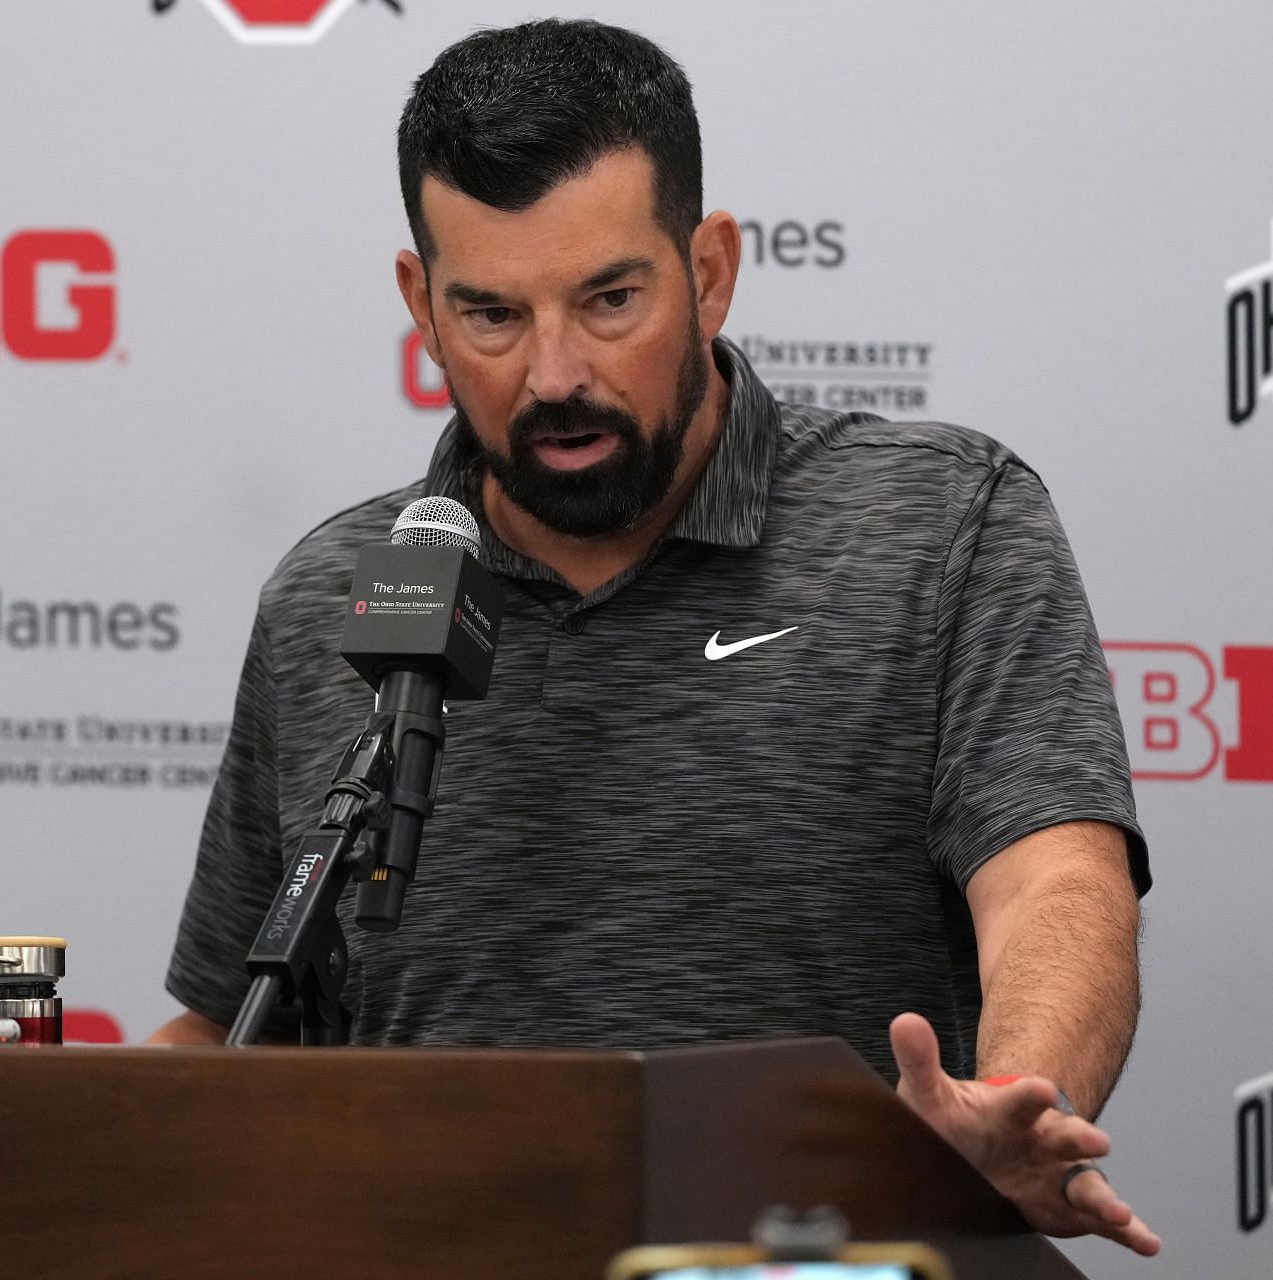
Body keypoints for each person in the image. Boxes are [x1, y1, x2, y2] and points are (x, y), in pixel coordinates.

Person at [151, 17, 1159, 1257]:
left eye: (610, 298)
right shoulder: (334, 591)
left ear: (713, 270)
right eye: (492, 315)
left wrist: (1015, 1094)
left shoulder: (941, 525)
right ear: (420, 303)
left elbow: (1059, 882)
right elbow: (225, 1024)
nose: (555, 373)